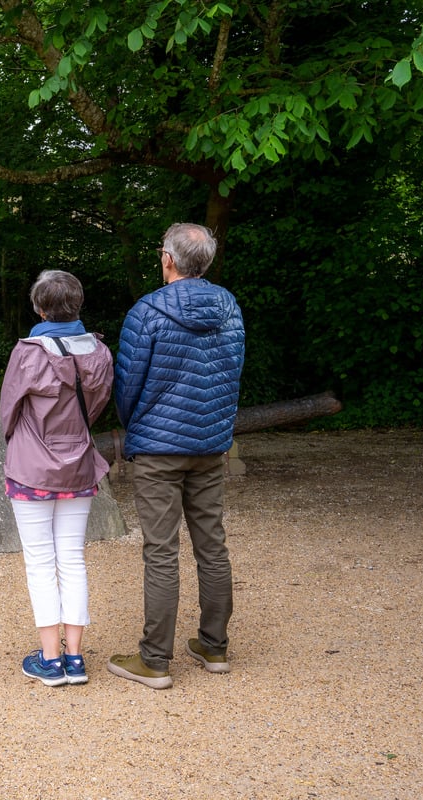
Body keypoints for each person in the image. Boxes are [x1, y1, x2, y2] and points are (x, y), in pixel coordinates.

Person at [106, 222, 245, 690]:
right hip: (210, 444)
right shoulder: (230, 308)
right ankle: (214, 646)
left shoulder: (147, 312)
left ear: (168, 259)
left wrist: (135, 426)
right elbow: (233, 374)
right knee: (212, 543)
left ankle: (155, 660)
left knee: (161, 551)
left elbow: (126, 386)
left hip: (158, 448)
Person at [0, 270, 113, 687]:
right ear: (76, 306)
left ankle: (50, 660)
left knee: (40, 563)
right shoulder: (99, 351)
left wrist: (25, 438)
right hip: (79, 463)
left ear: (40, 308)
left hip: (31, 465)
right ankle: (76, 659)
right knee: (72, 557)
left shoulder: (29, 351)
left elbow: (8, 409)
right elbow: (98, 404)